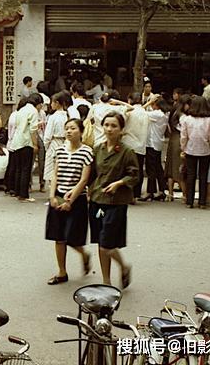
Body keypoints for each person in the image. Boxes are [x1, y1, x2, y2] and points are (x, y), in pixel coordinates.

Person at [89, 112, 138, 288]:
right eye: (107, 125)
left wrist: (119, 183)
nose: (109, 129)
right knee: (101, 243)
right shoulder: (97, 149)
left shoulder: (127, 152)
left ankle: (123, 267)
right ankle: (106, 281)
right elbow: (91, 175)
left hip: (116, 202)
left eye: (114, 126)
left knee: (106, 244)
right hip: (97, 199)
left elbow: (134, 175)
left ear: (121, 130)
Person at [46, 118, 94, 285]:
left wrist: (70, 200)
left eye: (73, 128)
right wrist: (52, 196)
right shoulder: (59, 150)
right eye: (67, 128)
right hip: (59, 196)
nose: (68, 131)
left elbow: (84, 180)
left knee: (72, 237)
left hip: (77, 199)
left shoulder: (87, 152)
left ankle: (84, 254)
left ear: (80, 132)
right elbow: (55, 174)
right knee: (58, 237)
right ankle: (62, 272)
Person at [180, 96, 210, 209]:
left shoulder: (187, 119)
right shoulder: (208, 121)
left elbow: (184, 136)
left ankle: (190, 201)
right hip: (205, 150)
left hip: (190, 149)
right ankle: (202, 202)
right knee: (203, 176)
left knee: (191, 175)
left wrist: (183, 149)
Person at [117, 93, 149, 201]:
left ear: (130, 100)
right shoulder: (145, 113)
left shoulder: (129, 112)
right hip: (141, 145)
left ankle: (128, 193)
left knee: (127, 170)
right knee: (138, 170)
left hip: (128, 144)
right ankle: (136, 194)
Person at [9, 93, 40, 202]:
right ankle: (24, 195)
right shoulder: (33, 111)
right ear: (38, 103)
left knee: (19, 168)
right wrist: (35, 144)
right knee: (26, 169)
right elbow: (33, 130)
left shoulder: (21, 110)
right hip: (26, 142)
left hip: (17, 142)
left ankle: (17, 192)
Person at [141, 95, 169, 201]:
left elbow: (140, 111)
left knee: (151, 169)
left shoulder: (157, 114)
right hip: (158, 143)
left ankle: (150, 191)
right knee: (158, 168)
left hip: (151, 144)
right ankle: (162, 190)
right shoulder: (165, 113)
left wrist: (148, 102)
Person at [165, 94, 192, 202]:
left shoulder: (174, 112)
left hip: (173, 140)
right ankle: (185, 195)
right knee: (180, 168)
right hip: (180, 141)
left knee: (171, 167)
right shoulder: (183, 116)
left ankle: (170, 193)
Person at [43, 92, 69, 188]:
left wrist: (46, 146)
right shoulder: (67, 115)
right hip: (65, 143)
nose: (51, 105)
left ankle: (52, 194)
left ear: (57, 103)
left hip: (54, 143)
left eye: (52, 102)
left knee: (52, 171)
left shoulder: (53, 117)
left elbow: (47, 135)